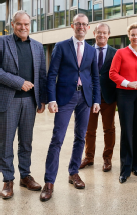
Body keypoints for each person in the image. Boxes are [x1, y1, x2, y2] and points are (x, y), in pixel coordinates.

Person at [40, 14, 101, 202]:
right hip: (65, 97)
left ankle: (73, 172)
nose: (81, 27)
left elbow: (95, 78)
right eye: (78, 24)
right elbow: (52, 75)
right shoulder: (61, 46)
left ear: (89, 28)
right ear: (72, 26)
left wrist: (96, 99)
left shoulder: (91, 50)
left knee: (80, 137)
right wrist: (51, 99)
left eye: (84, 24)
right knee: (57, 138)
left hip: (85, 98)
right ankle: (49, 182)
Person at [0, 11, 47, 199]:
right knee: (5, 143)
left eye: (27, 24)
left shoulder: (37, 46)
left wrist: (41, 98)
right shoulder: (2, 42)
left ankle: (25, 176)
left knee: (26, 142)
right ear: (13, 25)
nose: (23, 27)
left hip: (30, 101)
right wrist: (18, 82)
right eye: (19, 24)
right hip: (8, 100)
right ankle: (8, 179)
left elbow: (41, 75)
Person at [109, 23, 137, 184]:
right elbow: (113, 73)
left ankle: (136, 165)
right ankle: (125, 169)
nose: (135, 37)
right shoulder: (121, 53)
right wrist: (127, 83)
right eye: (132, 35)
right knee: (127, 130)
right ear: (129, 36)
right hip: (125, 94)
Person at [80, 23, 117, 172]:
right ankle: (89, 157)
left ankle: (107, 158)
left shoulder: (116, 53)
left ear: (109, 35)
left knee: (109, 129)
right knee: (89, 130)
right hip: (89, 97)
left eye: (105, 33)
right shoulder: (86, 51)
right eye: (99, 32)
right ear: (94, 33)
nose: (102, 35)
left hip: (108, 96)